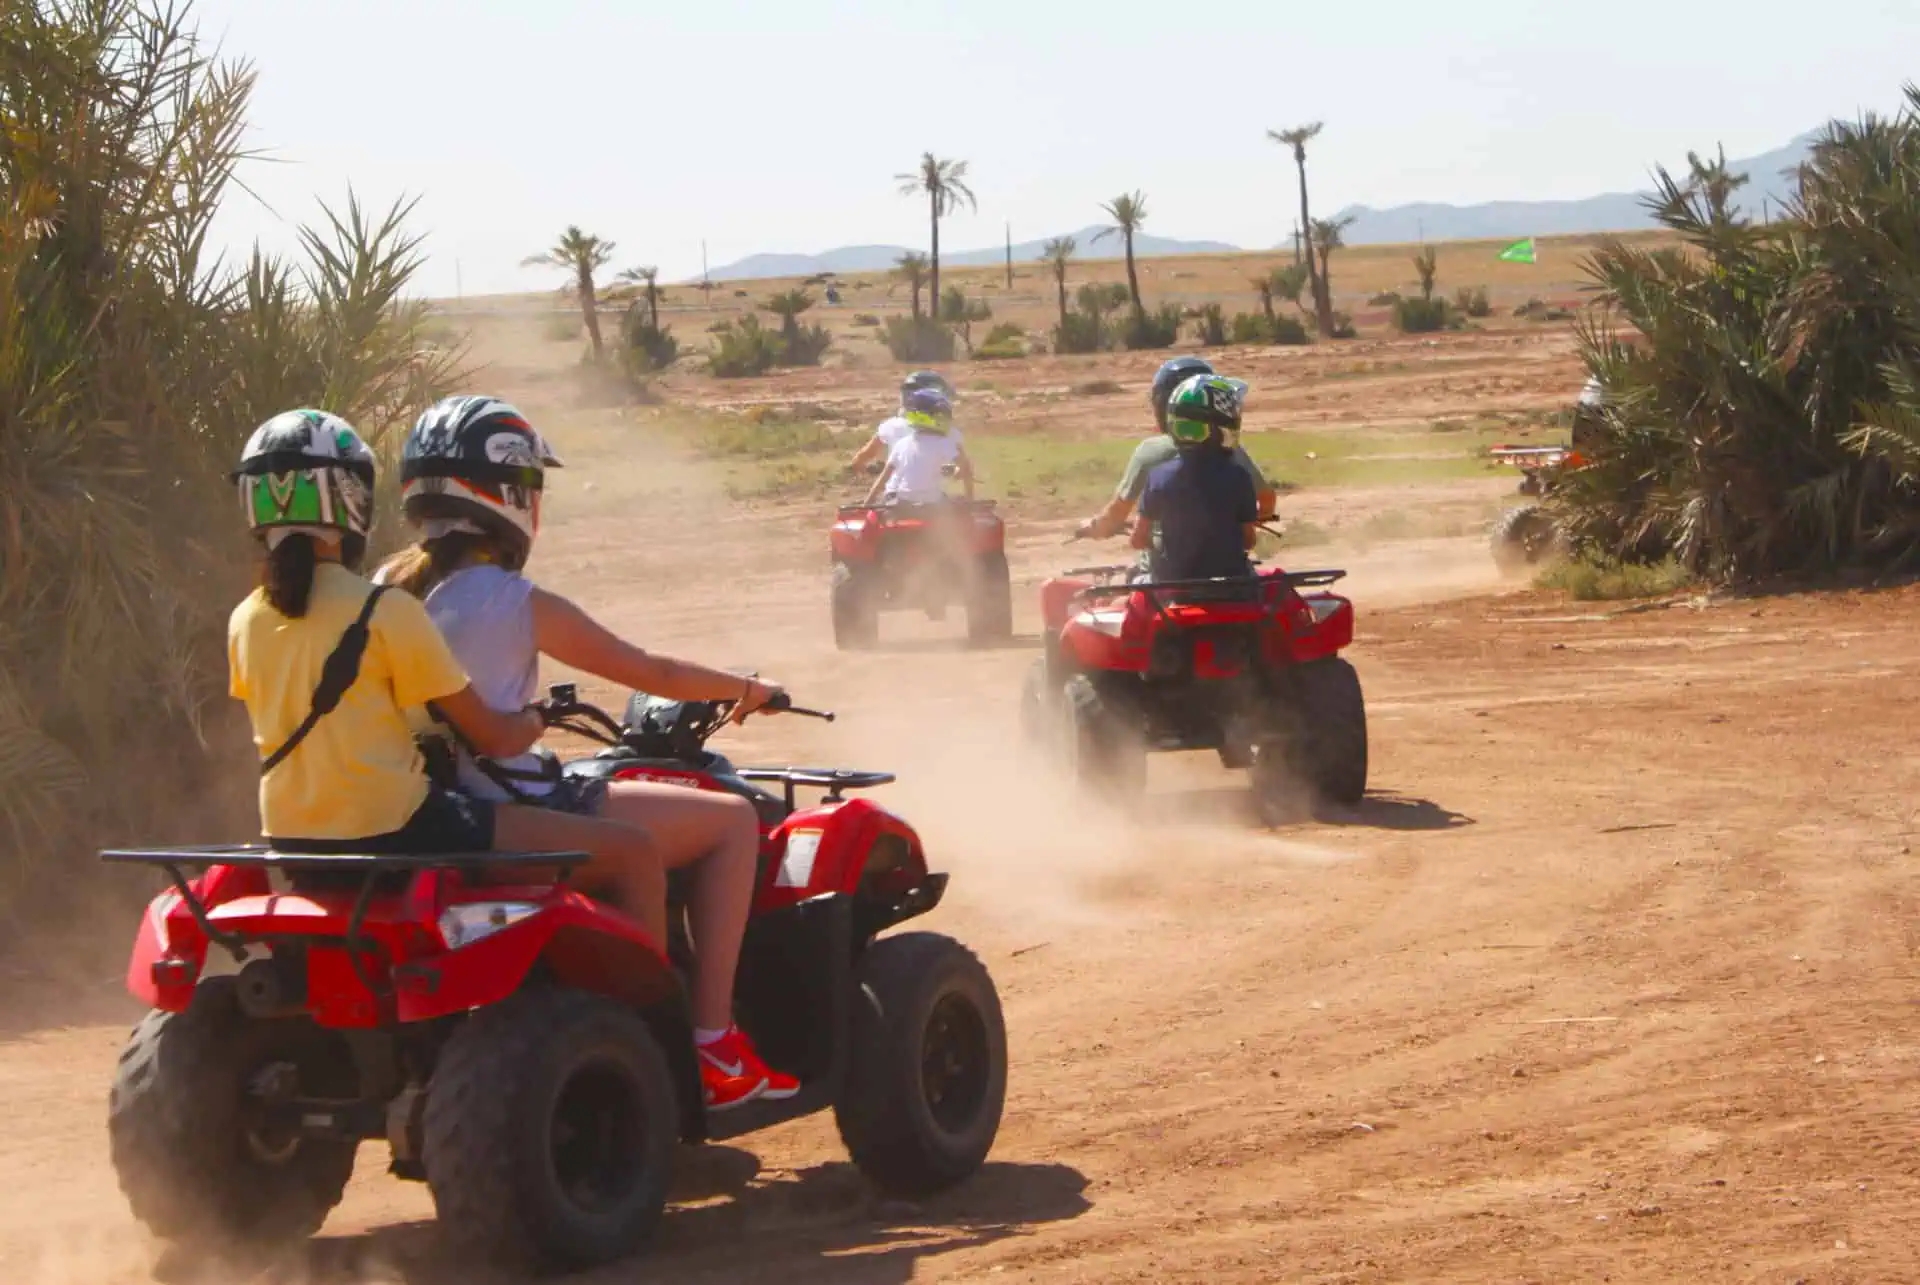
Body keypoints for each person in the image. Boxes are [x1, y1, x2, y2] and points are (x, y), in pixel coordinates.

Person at [376, 394, 798, 1111]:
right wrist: (748, 687)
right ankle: (709, 1037)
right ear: (508, 494)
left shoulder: (392, 591)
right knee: (728, 820)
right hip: (519, 806)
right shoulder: (510, 599)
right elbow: (650, 673)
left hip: (438, 810)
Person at [226, 407, 666, 970]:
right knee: (633, 851)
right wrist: (536, 719)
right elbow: (493, 735)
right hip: (400, 829)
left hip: (290, 840)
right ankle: (654, 1034)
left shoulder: (244, 619)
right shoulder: (382, 612)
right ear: (350, 497)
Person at [1075, 355, 1276, 543]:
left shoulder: (1149, 452)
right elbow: (1266, 501)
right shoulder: (1231, 451)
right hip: (1231, 570)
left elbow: (1115, 515)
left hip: (1163, 573)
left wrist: (1093, 527)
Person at [1129, 374, 1259, 582]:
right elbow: (1249, 541)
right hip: (1231, 589)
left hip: (1172, 588)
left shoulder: (1158, 478)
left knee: (1134, 580)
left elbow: (1137, 541)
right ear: (1222, 426)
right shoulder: (1239, 476)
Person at [862, 386, 974, 506]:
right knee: (954, 506)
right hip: (931, 503)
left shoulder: (901, 444)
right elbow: (966, 468)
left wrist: (866, 504)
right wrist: (969, 499)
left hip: (901, 503)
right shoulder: (944, 442)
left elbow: (883, 478)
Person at [848, 369, 960, 475]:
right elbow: (959, 466)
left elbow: (863, 457)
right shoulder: (945, 431)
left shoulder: (890, 425)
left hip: (895, 491)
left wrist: (863, 468)